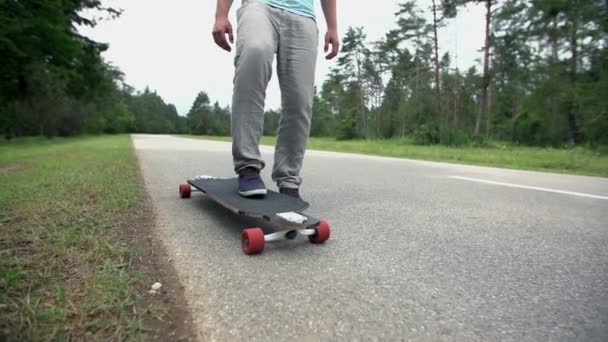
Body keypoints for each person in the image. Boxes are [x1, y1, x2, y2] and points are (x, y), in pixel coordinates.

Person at [212, 0, 339, 199]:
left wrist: (332, 27)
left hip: (303, 15)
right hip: (259, 7)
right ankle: (248, 167)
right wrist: (221, 15)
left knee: (300, 98)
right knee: (255, 52)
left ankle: (289, 180)